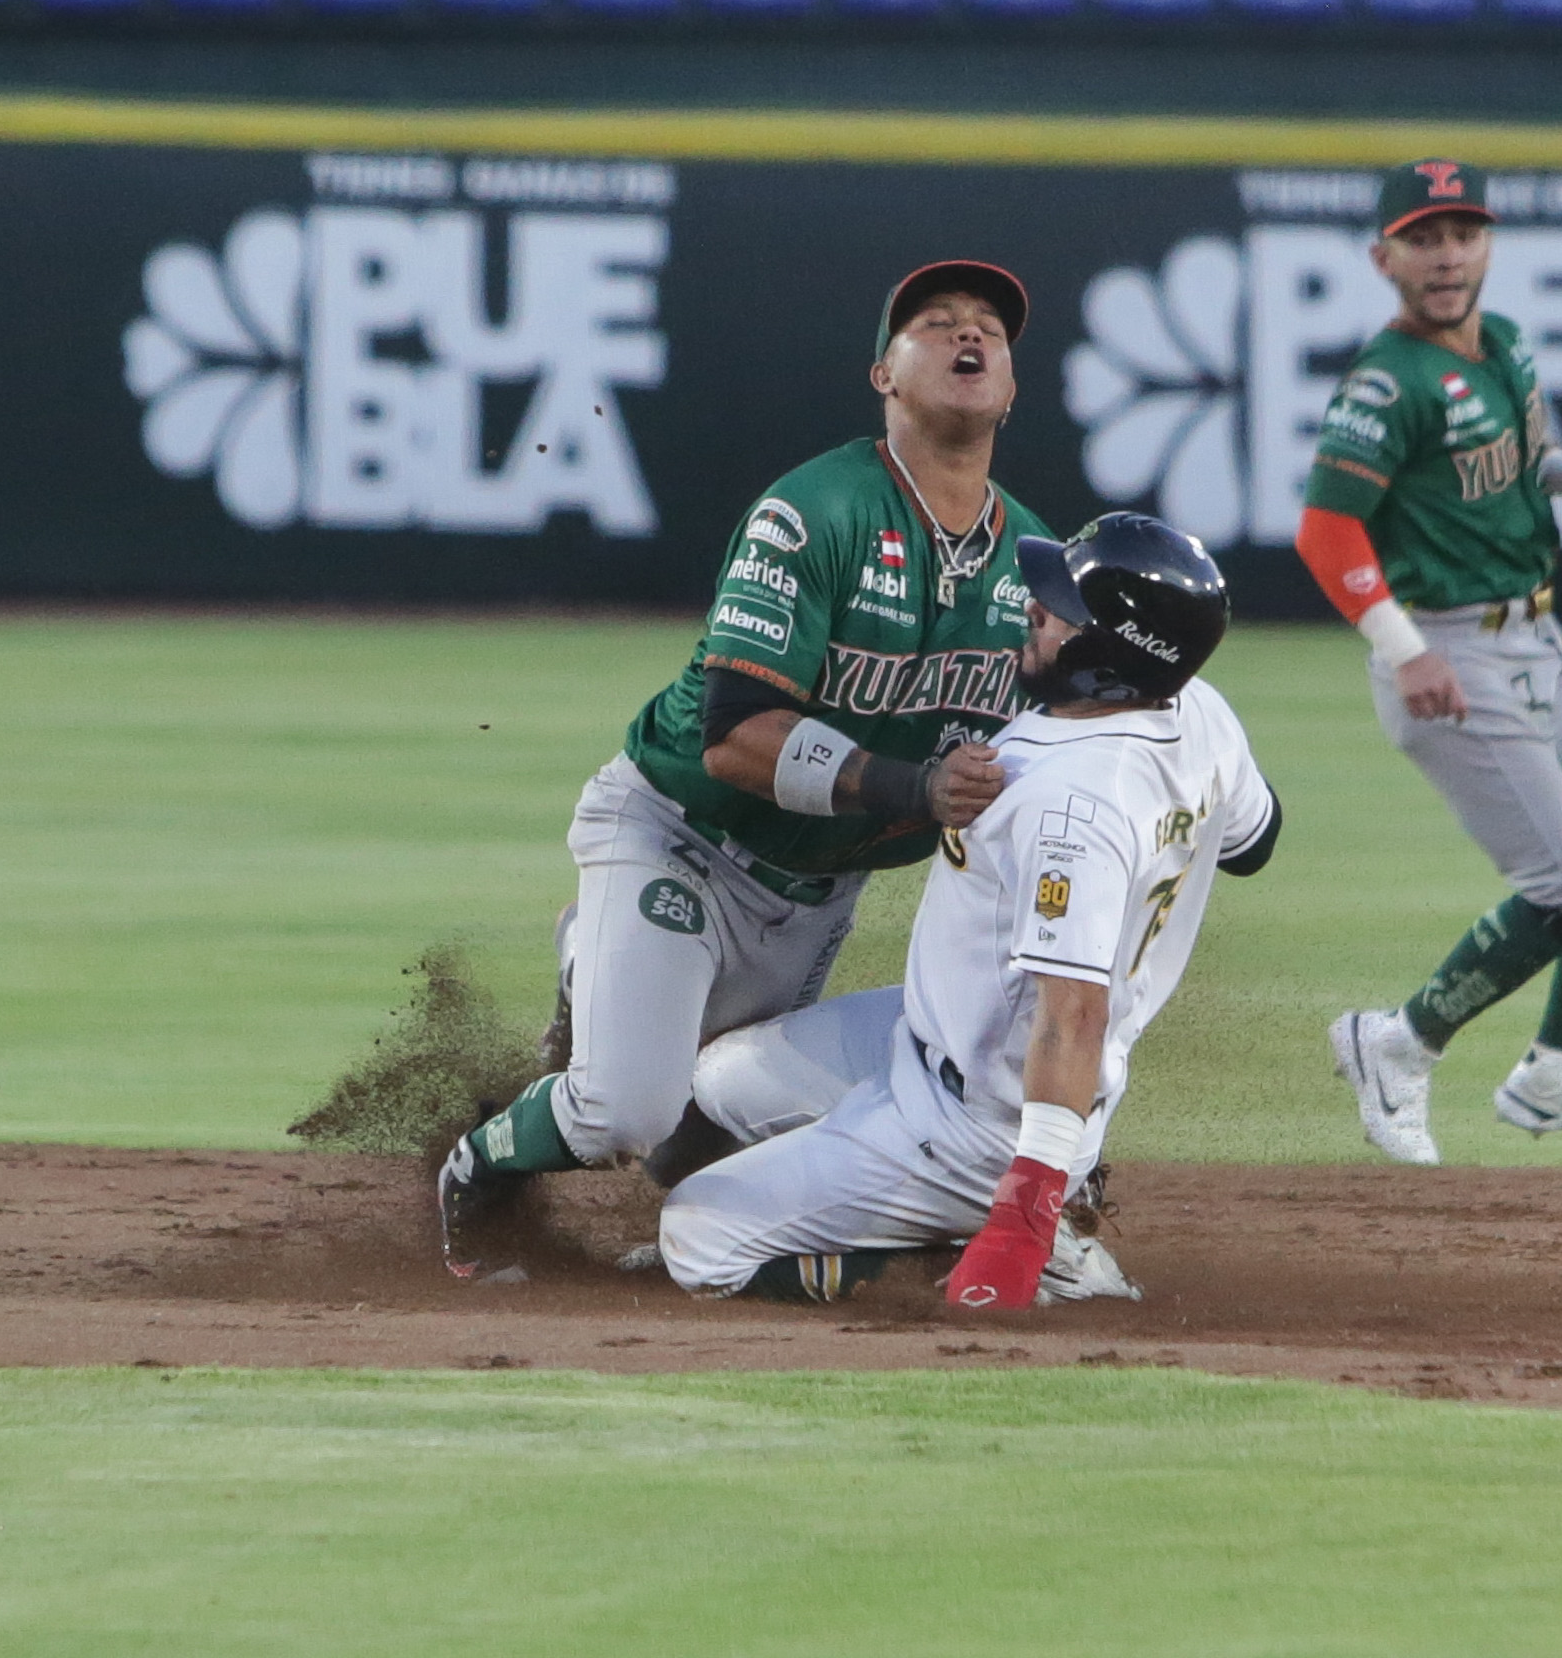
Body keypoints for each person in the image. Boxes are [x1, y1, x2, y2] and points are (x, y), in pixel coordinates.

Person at [437, 260, 1055, 1275]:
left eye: (988, 326)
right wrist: (913, 789)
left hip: (815, 891)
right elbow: (735, 730)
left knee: (702, 1139)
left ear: (1014, 382)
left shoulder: (1030, 557)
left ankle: (601, 973)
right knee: (624, 1110)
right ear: (883, 374)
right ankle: (479, 1162)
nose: (967, 336)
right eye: (935, 323)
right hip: (680, 832)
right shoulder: (813, 511)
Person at [652, 513, 1279, 1309]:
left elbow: (1074, 1015)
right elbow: (1254, 841)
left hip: (982, 1120)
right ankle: (958, 1209)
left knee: (696, 1236)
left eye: (1062, 608)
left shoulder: (1074, 805)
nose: (1036, 609)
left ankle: (1005, 1246)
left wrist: (1023, 1212)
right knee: (724, 1080)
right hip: (931, 1035)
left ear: (1114, 654)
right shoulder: (1199, 714)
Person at [1305, 158, 1562, 1165]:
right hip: (1449, 648)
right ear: (1382, 256)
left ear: (1487, 245)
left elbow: (1519, 471)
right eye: (1424, 237)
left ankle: (1559, 1066)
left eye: (1463, 232)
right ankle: (1396, 1041)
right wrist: (1400, 648)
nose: (1446, 255)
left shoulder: (1507, 344)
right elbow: (1326, 530)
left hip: (1537, 636)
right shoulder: (1387, 381)